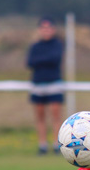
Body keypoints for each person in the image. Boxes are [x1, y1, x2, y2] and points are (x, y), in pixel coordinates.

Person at [26, 16, 64, 155]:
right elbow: (30, 62)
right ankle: (42, 145)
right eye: (43, 28)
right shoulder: (35, 46)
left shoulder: (57, 44)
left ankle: (57, 144)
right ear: (39, 30)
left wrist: (40, 60)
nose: (46, 31)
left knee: (56, 115)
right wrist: (45, 60)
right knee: (40, 116)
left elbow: (55, 59)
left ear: (53, 29)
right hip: (38, 84)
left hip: (54, 83)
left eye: (48, 28)